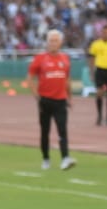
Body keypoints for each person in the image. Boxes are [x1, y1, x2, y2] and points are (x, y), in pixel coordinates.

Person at [26, 29, 76, 171]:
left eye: (56, 40)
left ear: (60, 42)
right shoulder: (40, 59)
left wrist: (70, 97)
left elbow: (67, 79)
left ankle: (65, 158)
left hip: (61, 100)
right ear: (47, 43)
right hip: (45, 100)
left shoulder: (65, 59)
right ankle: (46, 158)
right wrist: (36, 96)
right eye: (51, 41)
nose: (53, 43)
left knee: (62, 130)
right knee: (45, 131)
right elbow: (30, 78)